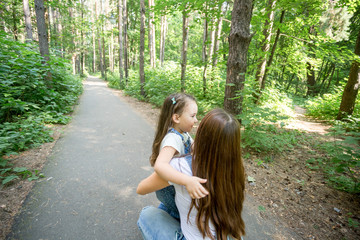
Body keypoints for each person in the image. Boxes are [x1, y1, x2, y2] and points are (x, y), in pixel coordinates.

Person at [137, 108, 246, 240]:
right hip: (219, 234)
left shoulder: (180, 166)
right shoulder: (235, 170)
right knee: (167, 205)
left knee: (147, 213)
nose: (195, 121)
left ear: (202, 134)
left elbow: (141, 189)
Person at [150, 93, 209, 220]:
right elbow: (160, 166)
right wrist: (187, 181)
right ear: (176, 118)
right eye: (193, 116)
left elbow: (195, 148)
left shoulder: (184, 133)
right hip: (169, 190)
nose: (196, 120)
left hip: (175, 187)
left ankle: (166, 210)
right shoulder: (173, 139)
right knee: (182, 214)